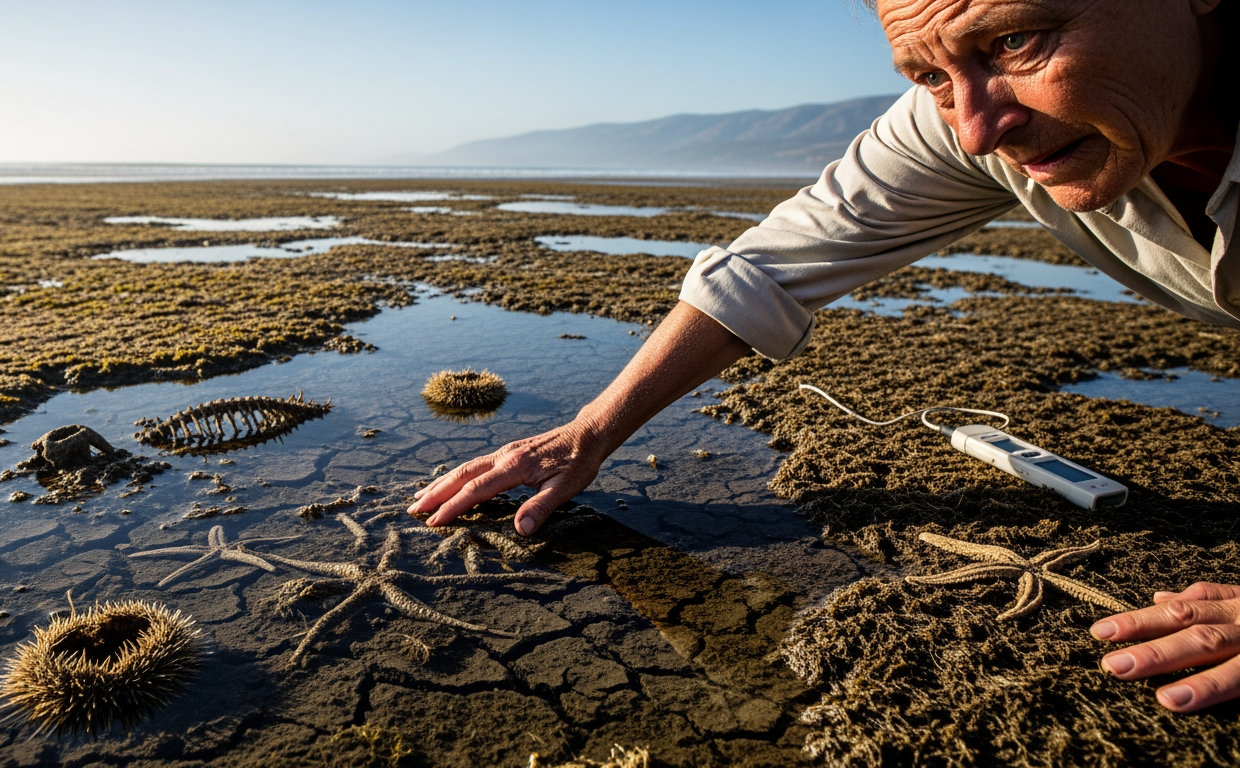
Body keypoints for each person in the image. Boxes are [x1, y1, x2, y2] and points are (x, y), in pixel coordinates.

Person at [412, 0, 1238, 712]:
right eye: (929, 77)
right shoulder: (966, 118)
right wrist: (587, 431)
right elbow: (768, 265)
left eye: (1017, 41)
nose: (980, 130)